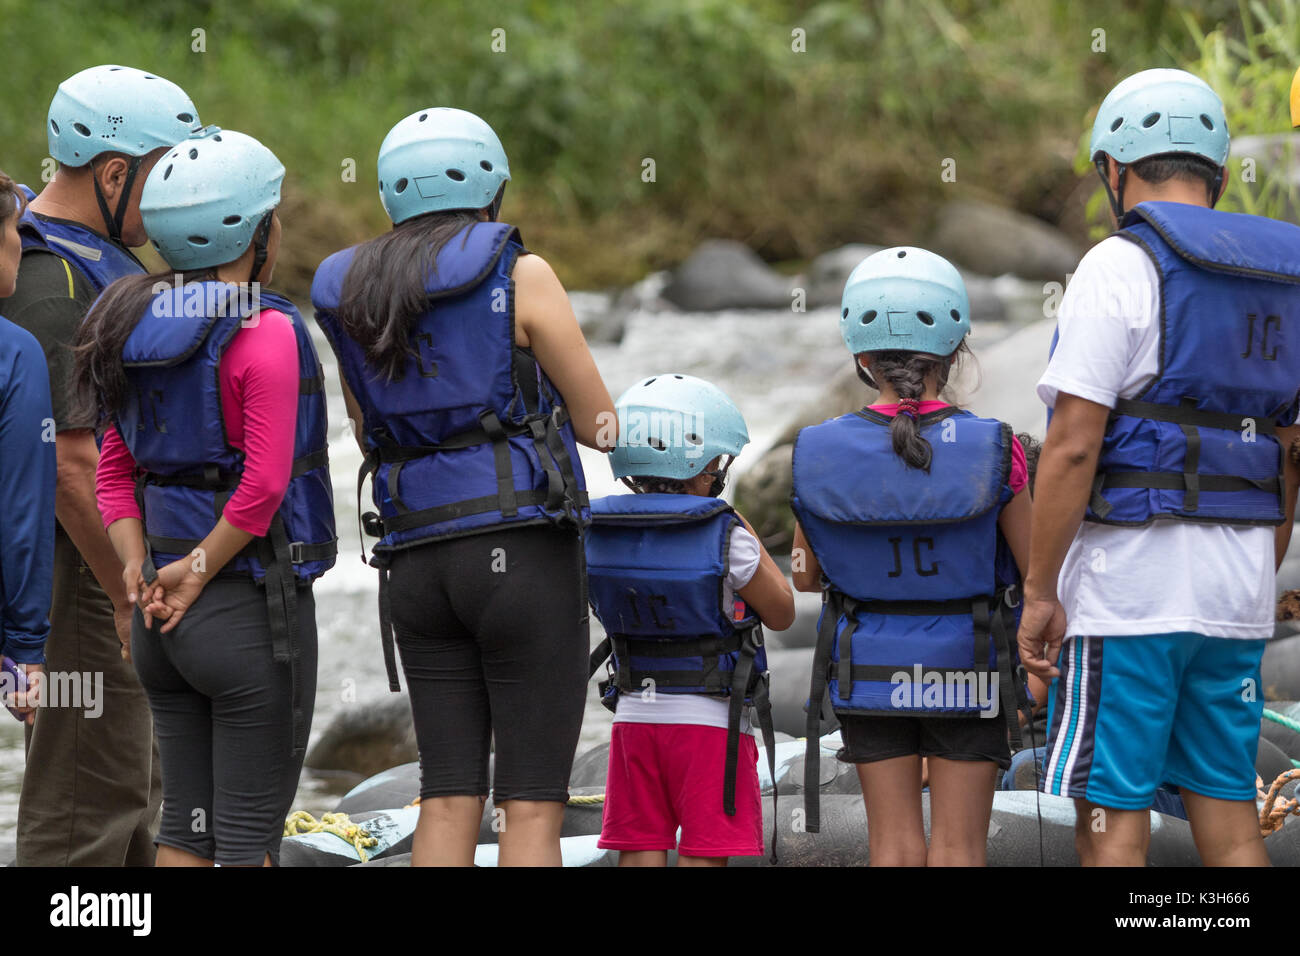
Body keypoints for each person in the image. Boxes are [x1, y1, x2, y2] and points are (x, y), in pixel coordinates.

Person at [311, 107, 614, 867]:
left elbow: (365, 419)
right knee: (532, 803)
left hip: (414, 562)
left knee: (446, 792)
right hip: (520, 555)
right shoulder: (522, 272)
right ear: (492, 190)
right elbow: (596, 422)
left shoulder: (354, 289)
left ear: (390, 198)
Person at [1016, 68, 1300, 867]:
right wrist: (1262, 566)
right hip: (1237, 590)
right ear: (1215, 168)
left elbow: (1073, 443)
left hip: (1130, 595)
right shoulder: (1285, 278)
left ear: (1114, 169)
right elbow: (1288, 451)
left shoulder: (1118, 265)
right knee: (1231, 813)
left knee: (1113, 814)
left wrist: (1040, 592)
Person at [72, 127, 336, 866]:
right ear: (260, 235)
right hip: (245, 614)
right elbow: (264, 484)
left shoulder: (122, 320)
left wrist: (137, 571)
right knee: (250, 839)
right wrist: (199, 568)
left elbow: (113, 471)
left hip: (159, 617)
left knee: (184, 830)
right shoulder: (265, 330)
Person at [0, 64, 203, 866]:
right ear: (114, 172)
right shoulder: (51, 286)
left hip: (116, 560)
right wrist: (129, 595)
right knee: (88, 796)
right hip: (85, 580)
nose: (183, 201)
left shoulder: (94, 261)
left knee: (138, 789)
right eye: (168, 177)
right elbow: (69, 468)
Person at [790, 247, 1032, 866]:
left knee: (892, 847)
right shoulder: (998, 448)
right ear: (956, 351)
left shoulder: (815, 450)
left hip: (865, 665)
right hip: (967, 661)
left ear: (860, 357)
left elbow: (808, 575)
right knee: (959, 848)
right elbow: (1034, 571)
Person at [586, 374, 794, 866]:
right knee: (704, 853)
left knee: (639, 849)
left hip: (635, 718)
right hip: (710, 725)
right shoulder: (727, 535)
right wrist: (740, 525)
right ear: (704, 468)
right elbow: (783, 612)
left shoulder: (595, 531)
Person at [0, 173, 57, 726]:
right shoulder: (15, 352)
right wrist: (25, 649)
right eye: (16, 230)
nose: (23, 244)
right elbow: (24, 510)